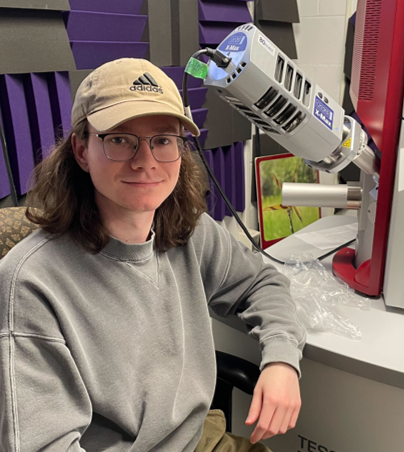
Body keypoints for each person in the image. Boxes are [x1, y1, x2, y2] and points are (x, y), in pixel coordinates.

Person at [0, 58, 306, 452]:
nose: (145, 161)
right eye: (120, 139)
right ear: (81, 150)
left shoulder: (189, 231)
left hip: (198, 439)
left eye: (162, 140)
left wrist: (281, 358)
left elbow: (262, 283)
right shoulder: (30, 282)